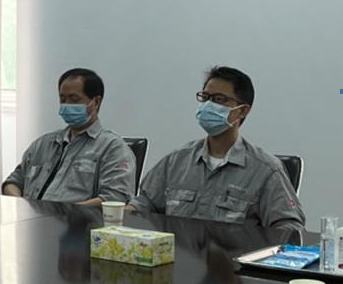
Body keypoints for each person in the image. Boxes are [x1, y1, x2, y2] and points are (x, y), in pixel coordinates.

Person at [128, 66, 305, 230]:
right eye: (205, 98)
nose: (208, 106)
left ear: (242, 110)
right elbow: (144, 204)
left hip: (235, 254)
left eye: (219, 99)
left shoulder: (266, 171)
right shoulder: (176, 161)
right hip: (178, 252)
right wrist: (122, 215)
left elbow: (289, 228)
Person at [2, 68, 135, 205]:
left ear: (95, 102)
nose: (66, 105)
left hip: (77, 217)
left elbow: (115, 198)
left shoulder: (113, 148)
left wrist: (68, 212)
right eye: (63, 99)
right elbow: (13, 182)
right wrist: (21, 204)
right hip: (31, 215)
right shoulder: (43, 143)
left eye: (74, 99)